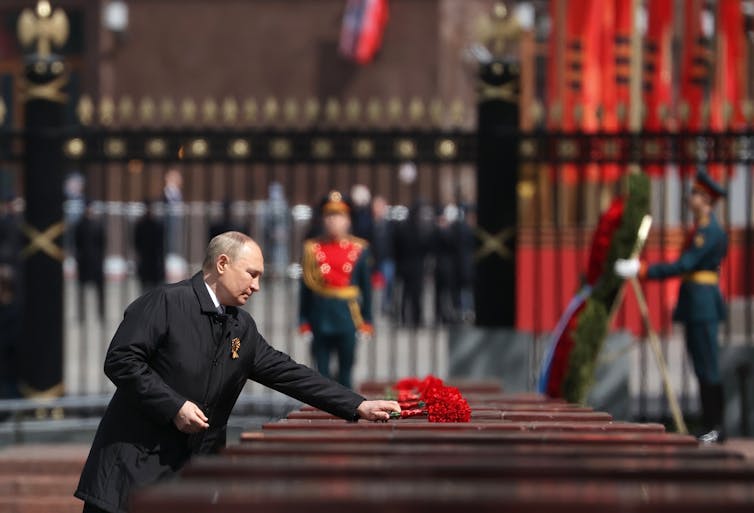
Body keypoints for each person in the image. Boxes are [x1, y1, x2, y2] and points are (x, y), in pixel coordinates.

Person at [75, 231, 399, 513]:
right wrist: (173, 405)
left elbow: (289, 373)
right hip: (130, 473)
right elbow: (121, 360)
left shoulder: (240, 326)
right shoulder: (166, 302)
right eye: (251, 274)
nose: (257, 286)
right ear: (222, 264)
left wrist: (357, 405)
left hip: (189, 479)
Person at [615, 169, 728, 444]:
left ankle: (716, 426)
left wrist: (642, 269)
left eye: (695, 194)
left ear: (706, 199)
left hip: (703, 305)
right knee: (701, 366)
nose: (690, 198)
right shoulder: (701, 229)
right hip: (695, 304)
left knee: (707, 367)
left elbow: (684, 265)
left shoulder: (709, 232)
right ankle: (709, 423)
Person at [299, 191, 373, 389]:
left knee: (346, 371)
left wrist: (367, 320)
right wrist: (303, 320)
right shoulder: (312, 248)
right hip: (320, 316)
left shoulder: (359, 249)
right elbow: (305, 288)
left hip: (347, 316)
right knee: (321, 373)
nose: (334, 221)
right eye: (329, 216)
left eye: (339, 216)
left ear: (348, 220)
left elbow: (366, 287)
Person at [75, 202, 106, 320]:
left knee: (100, 290)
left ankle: (101, 313)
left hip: (97, 261)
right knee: (81, 290)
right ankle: (81, 314)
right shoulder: (79, 225)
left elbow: (103, 243)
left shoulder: (98, 225)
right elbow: (77, 243)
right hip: (84, 262)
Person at [133, 202, 165, 292]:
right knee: (145, 287)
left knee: (155, 287)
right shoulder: (141, 225)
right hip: (146, 259)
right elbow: (136, 243)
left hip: (154, 260)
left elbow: (161, 245)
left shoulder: (157, 225)